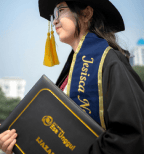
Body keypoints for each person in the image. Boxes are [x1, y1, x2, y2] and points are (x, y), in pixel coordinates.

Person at [0, 0, 144, 153]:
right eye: (53, 14)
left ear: (86, 13)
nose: (55, 20)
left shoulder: (111, 62)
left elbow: (132, 135)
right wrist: (19, 145)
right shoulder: (69, 73)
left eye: (60, 11)